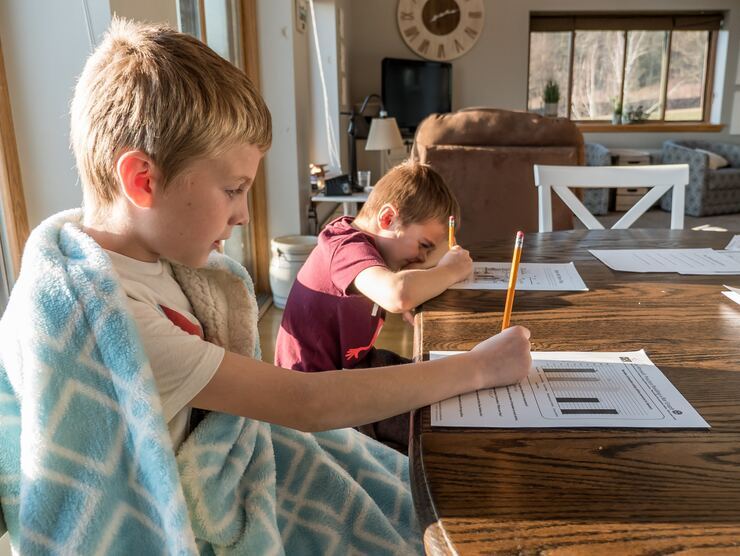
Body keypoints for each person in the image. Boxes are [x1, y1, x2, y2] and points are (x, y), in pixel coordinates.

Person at [0, 19, 532, 553]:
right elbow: (303, 402)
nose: (242, 215)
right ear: (143, 180)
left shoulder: (155, 262)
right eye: (233, 190)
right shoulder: (109, 319)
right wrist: (479, 367)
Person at [275, 162, 474, 450]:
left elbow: (406, 284)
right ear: (388, 218)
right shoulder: (344, 247)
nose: (422, 259)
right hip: (316, 399)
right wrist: (448, 272)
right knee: (433, 423)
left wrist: (430, 269)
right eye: (423, 245)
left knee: (440, 385)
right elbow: (398, 294)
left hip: (353, 370)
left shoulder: (374, 249)